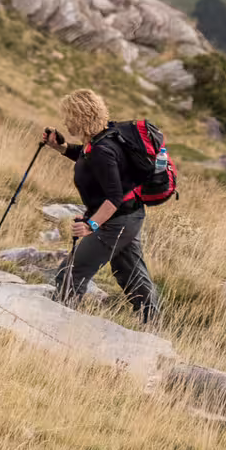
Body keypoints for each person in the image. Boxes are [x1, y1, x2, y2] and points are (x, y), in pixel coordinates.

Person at [42, 89, 160, 325]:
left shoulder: (101, 150)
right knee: (131, 273)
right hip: (130, 216)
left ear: (80, 117)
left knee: (71, 273)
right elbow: (88, 160)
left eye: (69, 116)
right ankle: (154, 324)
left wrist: (90, 225)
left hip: (116, 222)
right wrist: (62, 148)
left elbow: (114, 197)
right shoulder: (105, 137)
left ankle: (54, 326)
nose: (66, 122)